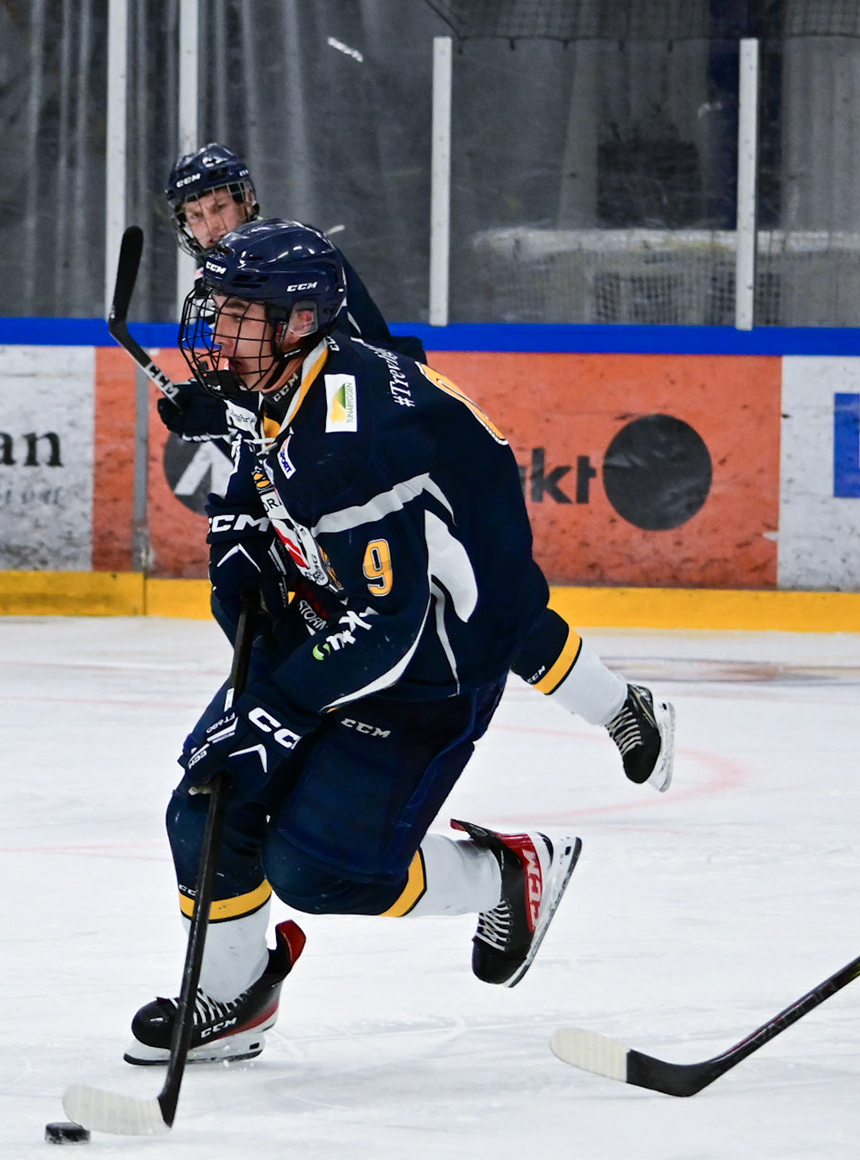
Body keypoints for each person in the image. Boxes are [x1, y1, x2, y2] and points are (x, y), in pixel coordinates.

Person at [127, 219, 590, 1066]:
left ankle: (506, 873)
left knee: (319, 871)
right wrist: (240, 528)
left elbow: (387, 623)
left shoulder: (353, 439)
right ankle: (233, 1000)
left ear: (300, 321)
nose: (218, 327)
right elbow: (265, 456)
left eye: (240, 312)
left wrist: (276, 713)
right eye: (219, 306)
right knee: (208, 802)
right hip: (328, 623)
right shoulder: (291, 374)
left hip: (427, 668)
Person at [154, 142, 675, 797]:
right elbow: (270, 400)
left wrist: (237, 405)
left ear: (247, 199)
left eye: (219, 206)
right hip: (319, 472)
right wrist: (220, 405)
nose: (211, 224)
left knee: (481, 604)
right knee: (329, 614)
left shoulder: (294, 264)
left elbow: (349, 370)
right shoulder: (224, 288)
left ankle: (618, 707)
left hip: (384, 462)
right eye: (196, 215)